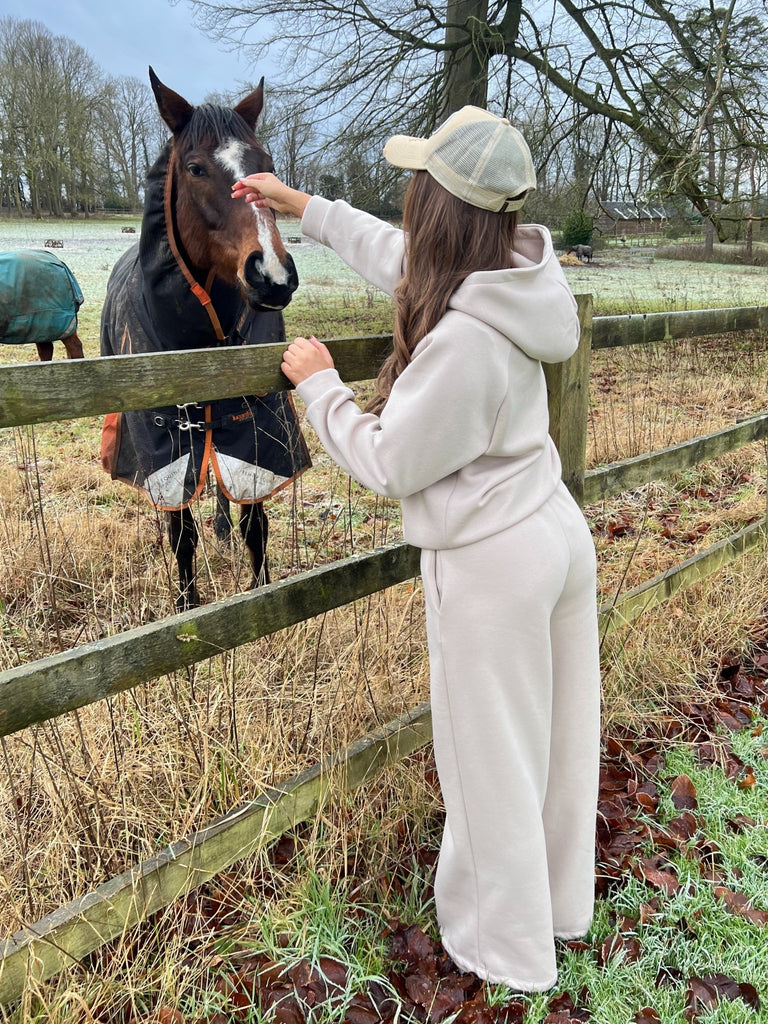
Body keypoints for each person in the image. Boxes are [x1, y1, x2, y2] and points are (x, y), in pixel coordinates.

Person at [232, 106, 601, 993]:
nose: (407, 203)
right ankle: (554, 911)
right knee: (552, 744)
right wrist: (303, 206)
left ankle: (500, 951)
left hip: (492, 565)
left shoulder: (467, 342)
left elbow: (391, 460)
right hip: (549, 532)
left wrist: (321, 390)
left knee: (489, 762)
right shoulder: (511, 280)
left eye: (417, 186)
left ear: (438, 205)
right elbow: (400, 264)